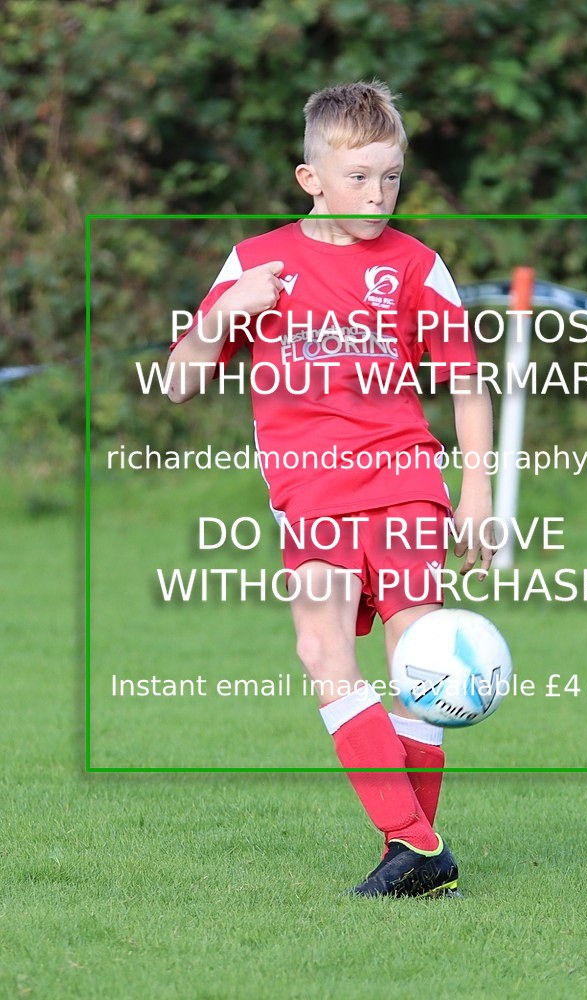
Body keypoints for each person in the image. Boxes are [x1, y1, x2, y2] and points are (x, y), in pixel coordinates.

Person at [166, 80, 495, 897]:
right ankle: (417, 850)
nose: (377, 195)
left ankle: (413, 849)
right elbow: (178, 381)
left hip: (408, 485)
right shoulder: (257, 263)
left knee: (419, 669)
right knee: (323, 653)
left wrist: (478, 493)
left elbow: (466, 381)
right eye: (358, 178)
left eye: (391, 177)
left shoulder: (418, 265)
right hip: (311, 497)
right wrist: (226, 312)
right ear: (311, 178)